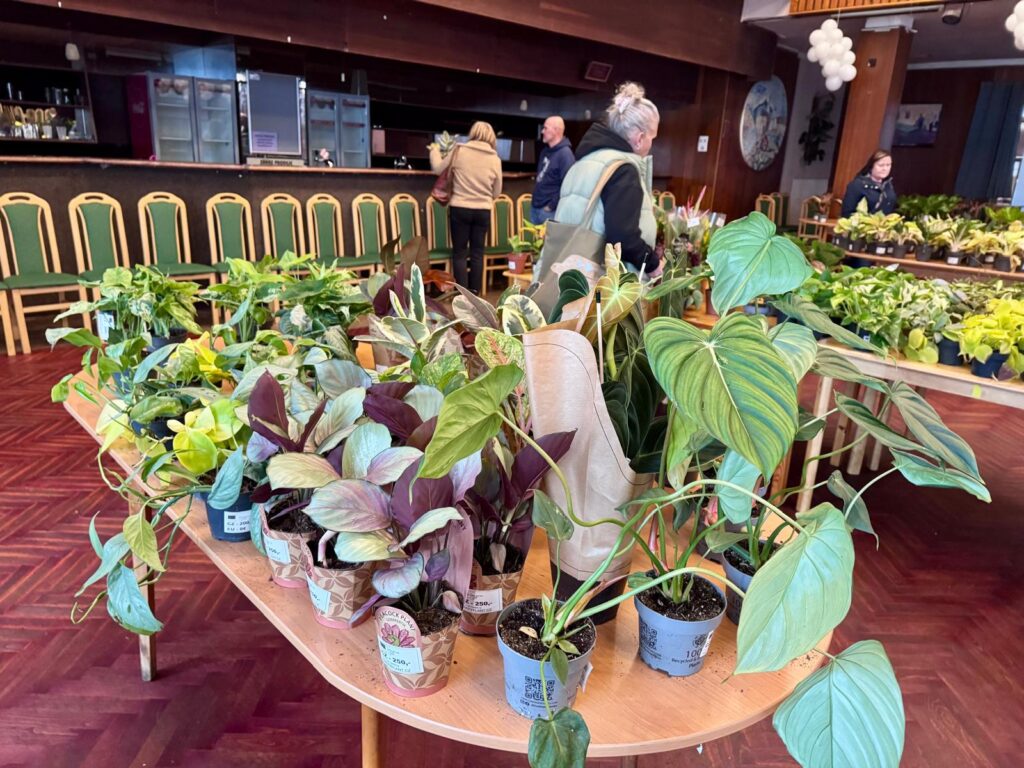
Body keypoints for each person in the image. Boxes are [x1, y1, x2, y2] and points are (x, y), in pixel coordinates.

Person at [553, 82, 661, 276]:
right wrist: (653, 265)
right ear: (639, 138)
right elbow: (622, 238)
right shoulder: (623, 170)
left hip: (568, 274)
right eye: (652, 138)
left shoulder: (582, 162)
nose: (650, 144)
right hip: (601, 283)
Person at [429, 121, 502, 294]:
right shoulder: (495, 159)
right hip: (483, 210)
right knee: (477, 253)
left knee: (460, 253)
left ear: (473, 133)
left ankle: (462, 296)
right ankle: (475, 294)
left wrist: (434, 151)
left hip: (460, 208)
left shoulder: (459, 151)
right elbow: (497, 191)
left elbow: (438, 169)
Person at [531, 116, 574, 225]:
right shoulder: (545, 151)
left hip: (550, 212)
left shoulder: (565, 154)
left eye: (545, 128)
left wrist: (551, 206)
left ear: (556, 130)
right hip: (536, 208)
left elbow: (568, 186)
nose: (542, 131)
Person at [841, 149, 896, 217]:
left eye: (888, 165)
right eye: (881, 165)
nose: (885, 169)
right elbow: (847, 213)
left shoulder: (888, 185)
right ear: (872, 166)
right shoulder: (857, 185)